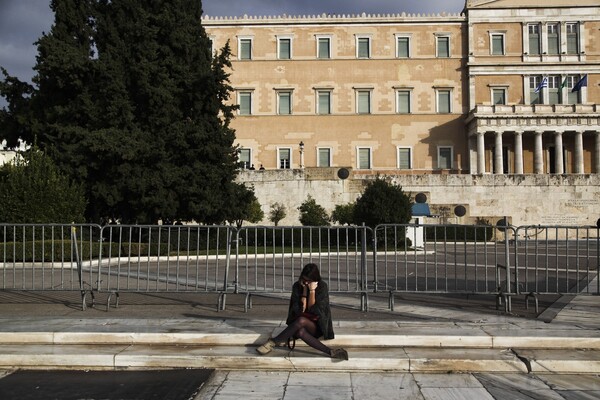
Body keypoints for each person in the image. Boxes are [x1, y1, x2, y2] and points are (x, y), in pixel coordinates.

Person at [256, 263, 348, 360]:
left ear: (315, 279)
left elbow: (315, 310)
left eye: (309, 281)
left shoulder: (322, 287)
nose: (306, 283)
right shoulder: (297, 286)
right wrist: (304, 292)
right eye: (304, 280)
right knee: (300, 330)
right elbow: (297, 311)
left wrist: (312, 291)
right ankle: (330, 352)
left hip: (317, 326)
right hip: (297, 323)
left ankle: (272, 342)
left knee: (301, 321)